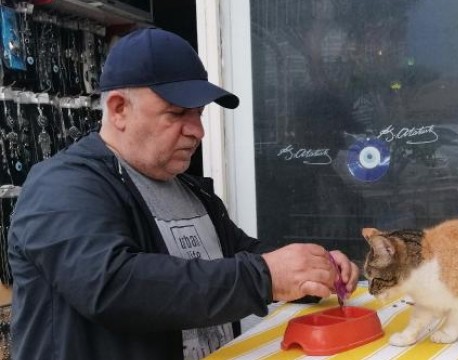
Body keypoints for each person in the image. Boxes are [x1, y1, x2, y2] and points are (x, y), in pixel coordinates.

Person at [8, 28, 359, 360]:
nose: (197, 131)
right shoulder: (61, 186)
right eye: (176, 114)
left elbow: (238, 255)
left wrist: (308, 271)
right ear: (118, 109)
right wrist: (265, 276)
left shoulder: (190, 189)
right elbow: (112, 286)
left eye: (199, 113)